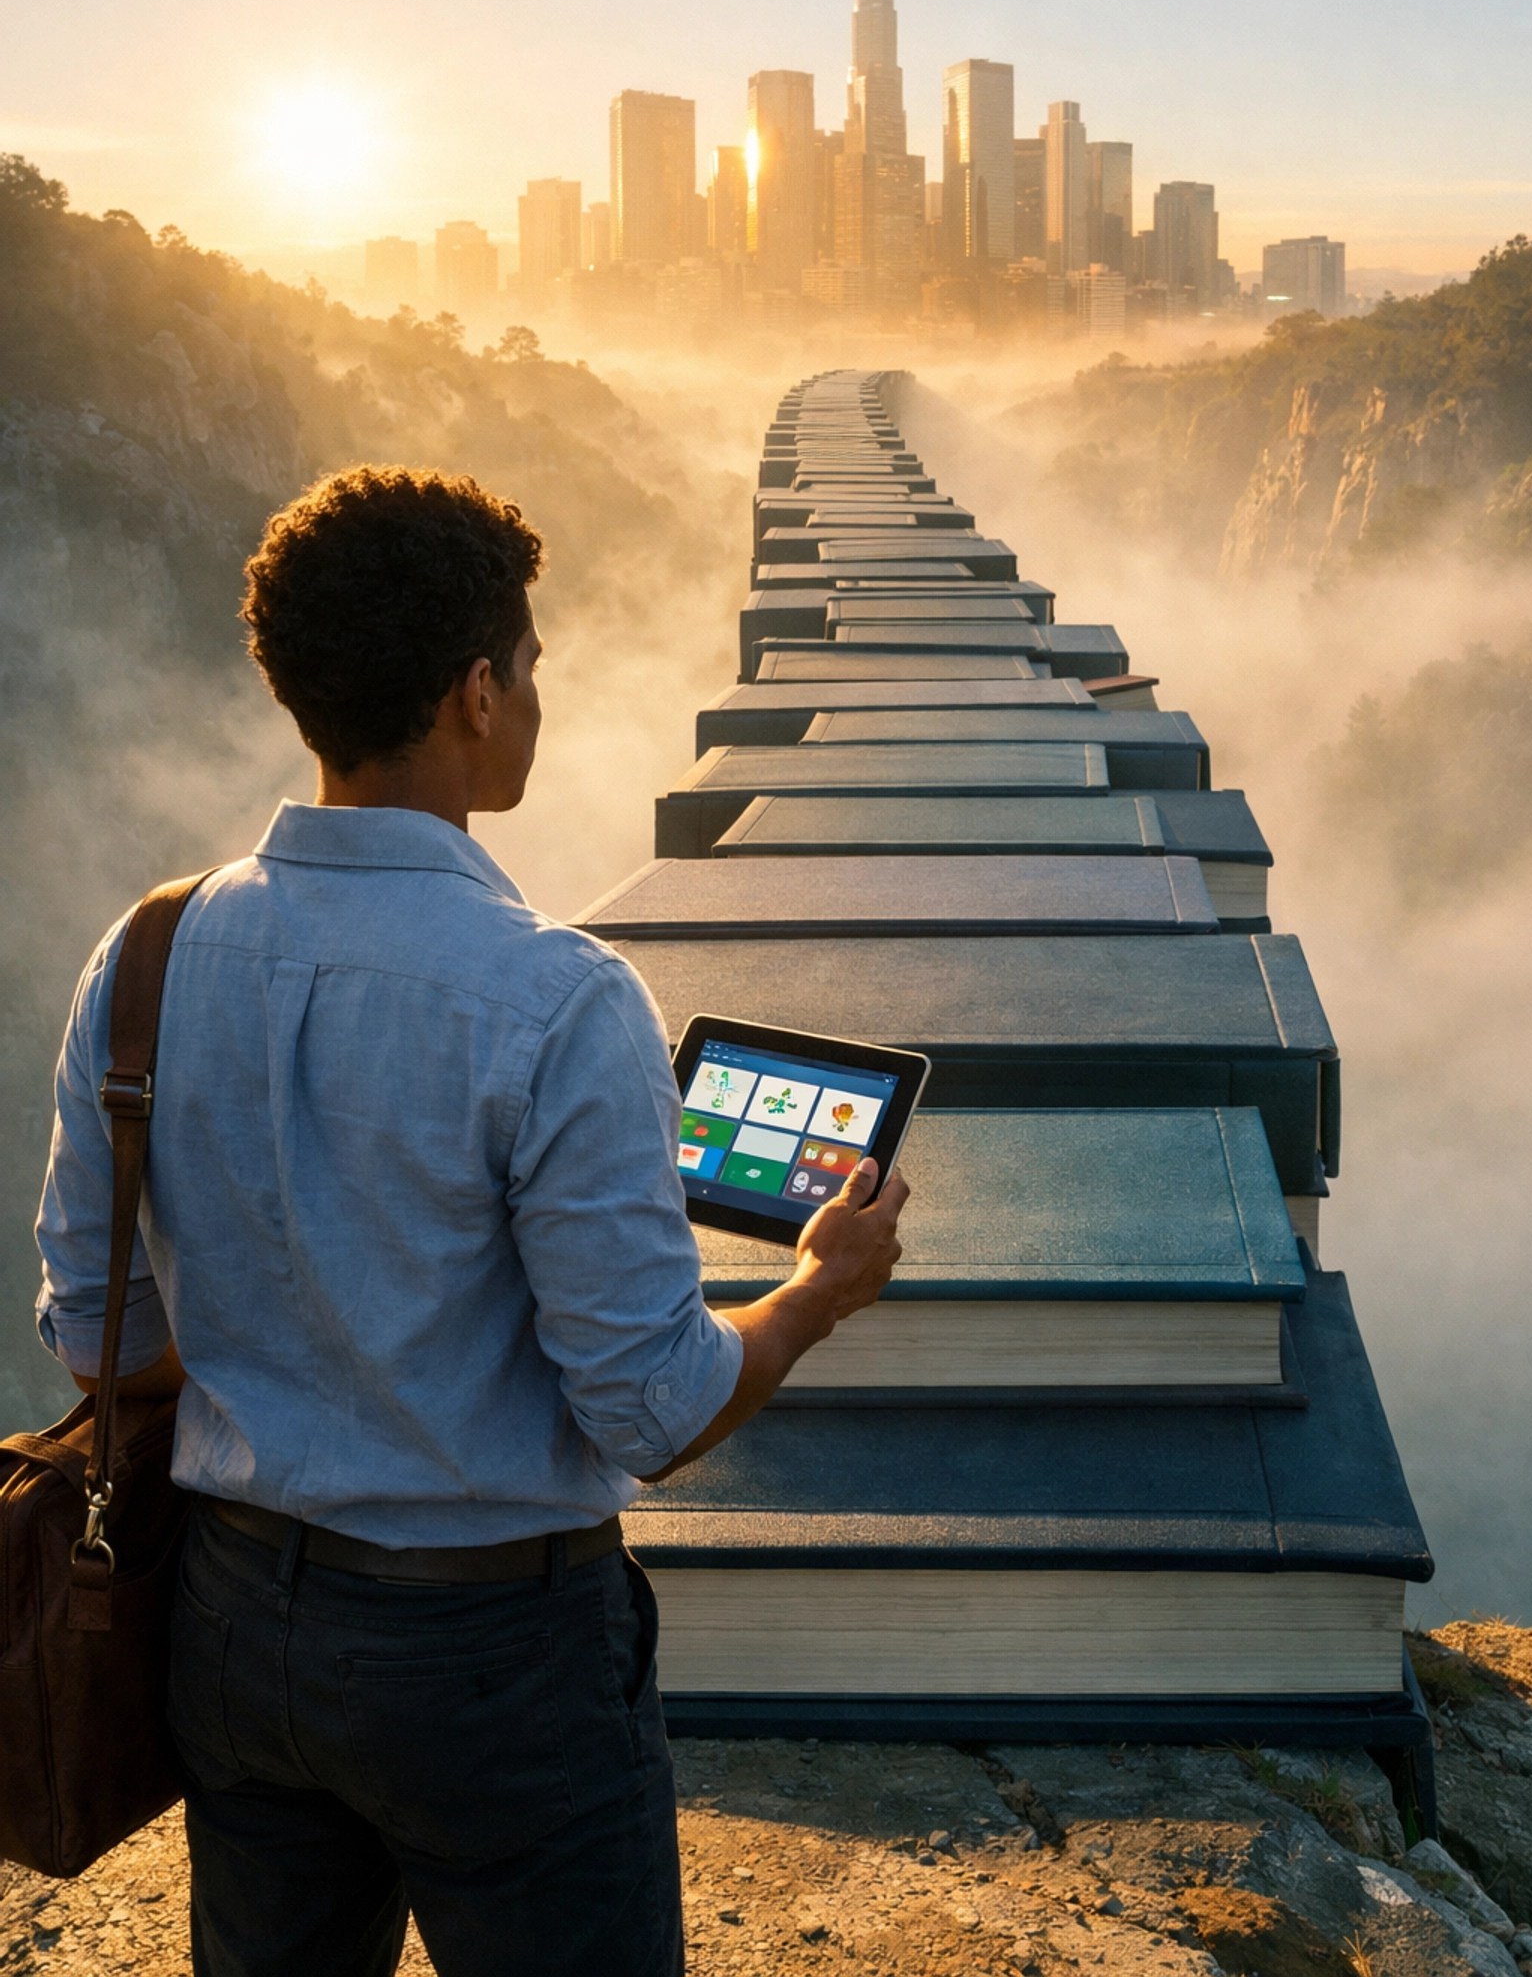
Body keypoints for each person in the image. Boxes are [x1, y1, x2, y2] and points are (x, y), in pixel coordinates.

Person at [34, 465, 908, 1977]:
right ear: (474, 695)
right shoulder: (559, 1001)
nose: (538, 696)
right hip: (493, 1656)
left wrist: (296, 1372)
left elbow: (95, 1331)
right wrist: (814, 1292)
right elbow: (649, 1406)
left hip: (231, 1622)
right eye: (532, 666)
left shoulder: (150, 952)